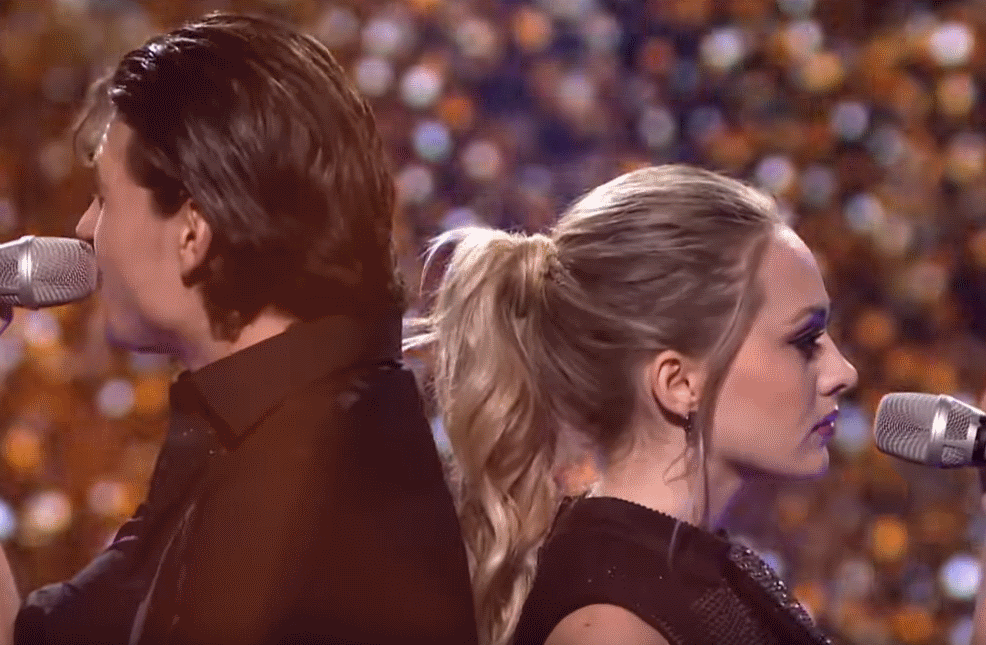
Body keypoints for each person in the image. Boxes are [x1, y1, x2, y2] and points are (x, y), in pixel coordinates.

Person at [0, 12, 478, 645]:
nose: (85, 228)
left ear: (193, 233)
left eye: (105, 198)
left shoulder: (311, 482)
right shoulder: (260, 426)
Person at [406, 164, 861, 645]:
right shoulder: (612, 626)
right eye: (804, 340)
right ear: (678, 383)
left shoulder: (691, 569)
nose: (844, 372)